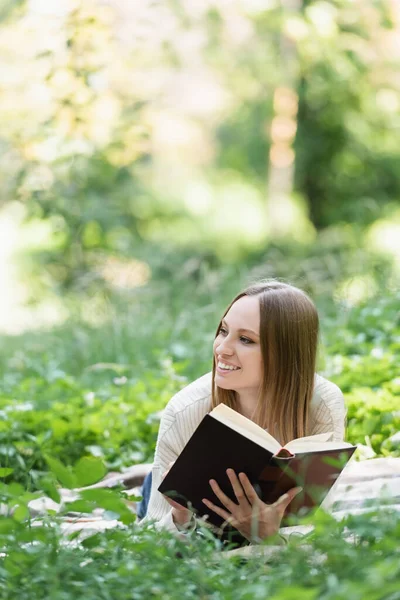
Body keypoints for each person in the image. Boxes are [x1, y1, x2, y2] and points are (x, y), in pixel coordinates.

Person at [139, 280, 346, 545]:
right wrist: (179, 515)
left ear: (285, 353)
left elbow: (318, 526)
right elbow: (151, 541)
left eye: (246, 339)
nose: (222, 348)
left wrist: (270, 537)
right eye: (223, 331)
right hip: (189, 516)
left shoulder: (323, 404)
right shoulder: (185, 409)